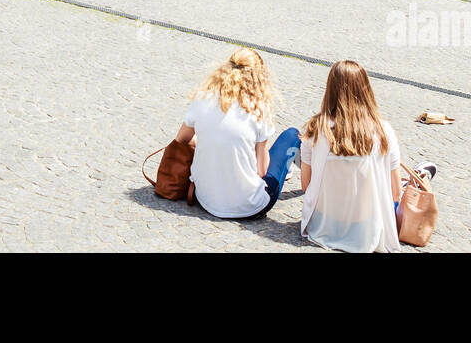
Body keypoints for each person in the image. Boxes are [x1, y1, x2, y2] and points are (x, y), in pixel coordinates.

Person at [299, 60, 436, 253]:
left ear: (330, 89)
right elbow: (394, 194)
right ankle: (417, 177)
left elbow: (306, 186)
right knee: (398, 190)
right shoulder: (383, 130)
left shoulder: (315, 130)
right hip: (367, 228)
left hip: (322, 224)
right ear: (365, 89)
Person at [174, 48, 300, 220]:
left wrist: (208, 139)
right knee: (292, 135)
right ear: (259, 78)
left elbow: (181, 140)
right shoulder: (258, 110)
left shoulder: (203, 98)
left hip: (203, 197)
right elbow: (261, 170)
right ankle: (307, 175)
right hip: (250, 206)